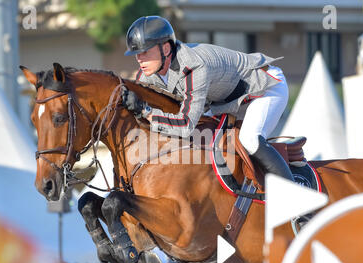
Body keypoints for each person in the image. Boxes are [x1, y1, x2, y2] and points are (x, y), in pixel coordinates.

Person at [122, 16, 294, 188]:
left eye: (145, 52)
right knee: (200, 139)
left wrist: (147, 112)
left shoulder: (194, 66)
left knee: (249, 139)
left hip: (263, 88)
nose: (139, 58)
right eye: (137, 53)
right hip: (225, 102)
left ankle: (295, 200)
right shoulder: (147, 73)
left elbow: (185, 124)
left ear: (165, 48)